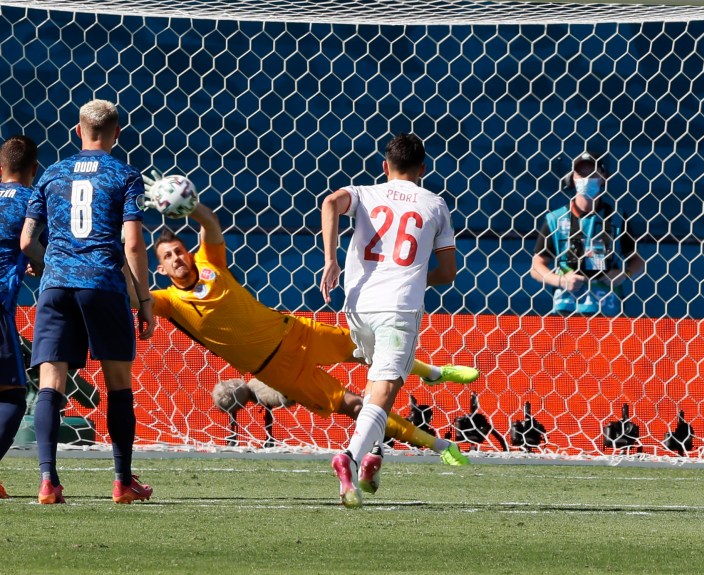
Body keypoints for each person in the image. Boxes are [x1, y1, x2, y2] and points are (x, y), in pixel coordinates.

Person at [145, 199, 473, 482]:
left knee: (369, 351)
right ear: (160, 269)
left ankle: (434, 373)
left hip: (295, 332)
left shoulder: (209, 263)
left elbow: (210, 222)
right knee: (356, 406)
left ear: (188, 253)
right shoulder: (168, 302)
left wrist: (189, 205)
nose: (176, 258)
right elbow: (135, 297)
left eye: (179, 251)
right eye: (168, 257)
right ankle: (442, 447)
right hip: (277, 372)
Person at [21, 99, 156, 505]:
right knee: (118, 385)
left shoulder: (52, 174)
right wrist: (144, 301)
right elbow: (132, 243)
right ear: (117, 134)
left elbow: (27, 240)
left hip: (57, 286)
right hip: (102, 283)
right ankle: (121, 482)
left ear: (77, 131)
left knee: (51, 383)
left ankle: (48, 481)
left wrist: (50, 266)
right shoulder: (126, 176)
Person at [320, 133, 456, 508]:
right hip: (398, 307)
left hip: (358, 306)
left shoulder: (364, 193)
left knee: (376, 380)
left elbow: (330, 202)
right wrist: (412, 273)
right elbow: (447, 272)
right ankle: (348, 456)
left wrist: (331, 260)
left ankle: (372, 456)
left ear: (385, 167)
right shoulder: (435, 204)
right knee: (384, 387)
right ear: (422, 170)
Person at [530, 151, 643, 315]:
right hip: (566, 310)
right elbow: (536, 266)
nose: (585, 179)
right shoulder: (555, 218)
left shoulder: (617, 217)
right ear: (572, 178)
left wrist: (624, 274)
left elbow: (637, 261)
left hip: (607, 310)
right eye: (581, 174)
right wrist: (561, 280)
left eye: (592, 174)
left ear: (604, 177)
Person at [0, 135, 40, 499]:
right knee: (12, 395)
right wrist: (39, 263)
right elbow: (29, 243)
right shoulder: (32, 200)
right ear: (34, 169)